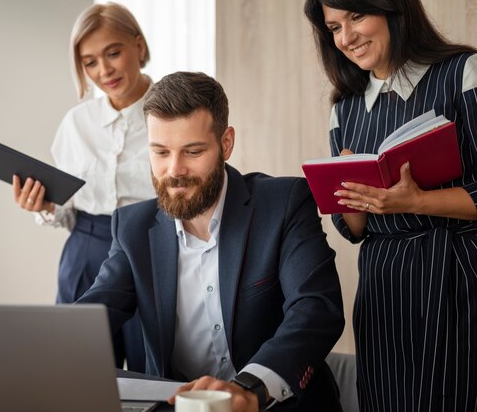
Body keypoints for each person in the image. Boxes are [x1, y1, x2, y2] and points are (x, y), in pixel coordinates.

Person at [77, 71, 345, 412]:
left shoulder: (284, 203)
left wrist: (249, 389)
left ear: (226, 143)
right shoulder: (131, 228)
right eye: (160, 152)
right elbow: (92, 314)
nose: (174, 170)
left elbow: (316, 309)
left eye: (192, 151)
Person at [304, 0, 477, 411]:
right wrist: (348, 191)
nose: (346, 37)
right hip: (384, 286)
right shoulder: (345, 110)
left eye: (357, 16)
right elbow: (354, 230)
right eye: (334, 28)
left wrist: (417, 201)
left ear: (393, 9)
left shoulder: (461, 74)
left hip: (456, 273)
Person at [12, 2, 155, 373]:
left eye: (113, 53)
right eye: (90, 62)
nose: (104, 70)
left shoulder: (172, 111)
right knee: (77, 371)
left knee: (153, 371)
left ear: (138, 46)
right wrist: (43, 205)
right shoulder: (77, 123)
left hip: (153, 249)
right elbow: (66, 209)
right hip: (86, 251)